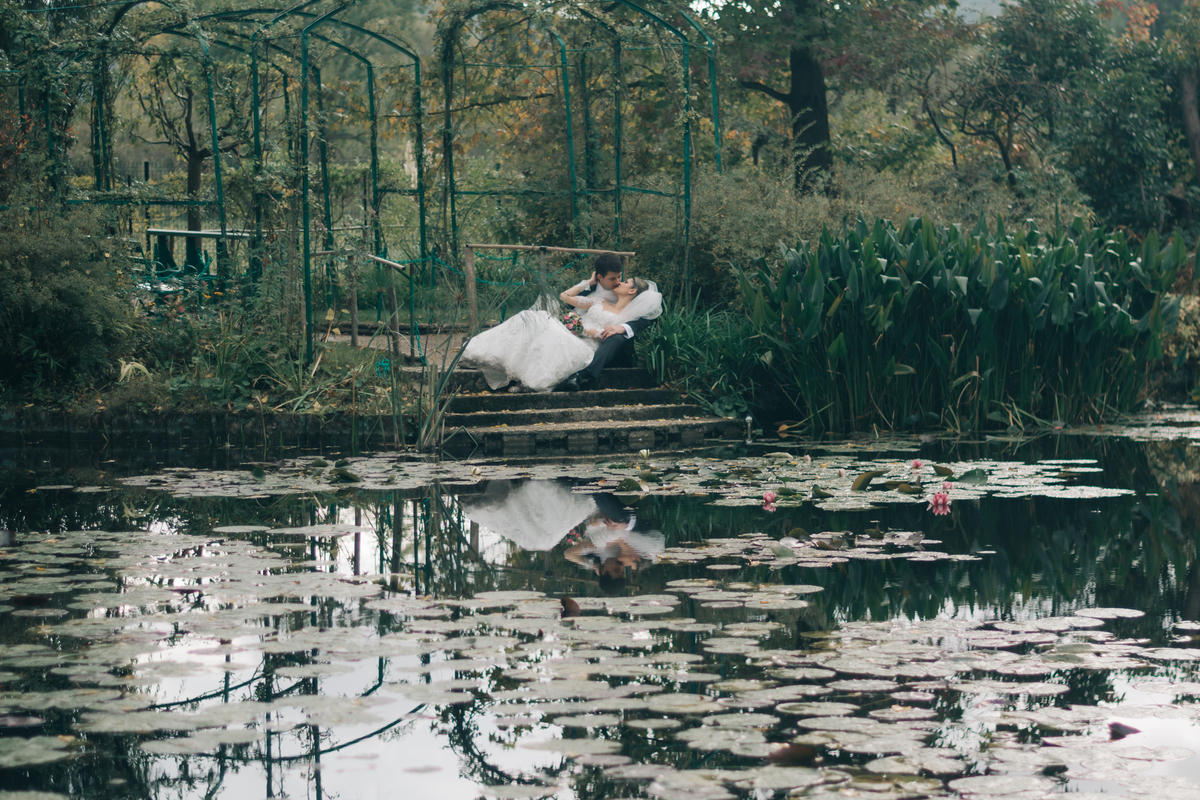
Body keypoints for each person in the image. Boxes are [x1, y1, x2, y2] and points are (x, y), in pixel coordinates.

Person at [458, 254, 662, 393]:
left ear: (632, 291)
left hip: (588, 346)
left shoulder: (631, 317)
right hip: (574, 333)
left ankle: (526, 381)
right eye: (616, 278)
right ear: (601, 277)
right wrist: (588, 283)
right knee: (534, 317)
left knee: (552, 333)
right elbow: (565, 297)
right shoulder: (601, 300)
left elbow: (640, 323)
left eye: (623, 280)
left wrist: (586, 329)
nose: (619, 281)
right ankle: (486, 353)